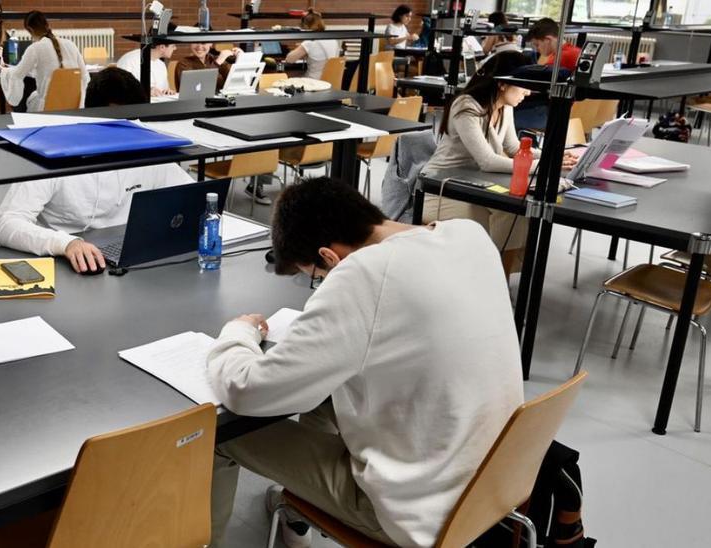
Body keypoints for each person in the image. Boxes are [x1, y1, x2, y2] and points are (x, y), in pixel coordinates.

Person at [207, 179, 524, 548]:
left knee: (218, 433)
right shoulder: (470, 235)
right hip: (495, 479)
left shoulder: (363, 274)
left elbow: (247, 390)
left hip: (419, 513)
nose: (322, 283)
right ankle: (297, 518)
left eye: (317, 277)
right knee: (330, 388)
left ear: (329, 257)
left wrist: (237, 334)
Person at [0, 69, 193, 273]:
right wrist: (65, 244)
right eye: (119, 127)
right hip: (69, 262)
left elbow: (192, 195)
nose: (129, 135)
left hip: (128, 258)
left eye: (134, 124)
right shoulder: (53, 152)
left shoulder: (142, 142)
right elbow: (5, 223)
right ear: (90, 118)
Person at [422, 51, 577, 274]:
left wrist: (551, 156)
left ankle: (492, 278)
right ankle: (492, 278)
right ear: (503, 84)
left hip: (476, 184)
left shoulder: (506, 107)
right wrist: (543, 167)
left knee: (516, 212)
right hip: (442, 187)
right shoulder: (466, 106)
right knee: (508, 215)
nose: (528, 92)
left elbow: (515, 149)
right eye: (523, 86)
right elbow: (487, 161)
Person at [0, 11, 88, 112]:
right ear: (47, 25)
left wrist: (4, 71)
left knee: (26, 88)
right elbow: (85, 76)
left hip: (46, 107)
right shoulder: (70, 44)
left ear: (30, 30)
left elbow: (17, 75)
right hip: (73, 105)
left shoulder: (35, 48)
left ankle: (22, 122)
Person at [516, 17, 580, 129]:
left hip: (554, 113)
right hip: (571, 111)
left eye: (537, 45)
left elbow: (538, 87)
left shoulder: (559, 58)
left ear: (548, 39)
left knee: (506, 114)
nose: (536, 49)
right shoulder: (575, 51)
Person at [284, 12, 341, 82]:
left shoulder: (309, 43)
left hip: (313, 83)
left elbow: (289, 59)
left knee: (287, 80)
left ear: (306, 27)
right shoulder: (333, 40)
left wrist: (301, 48)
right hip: (330, 83)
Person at [174, 43, 241, 90]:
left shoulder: (214, 59)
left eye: (203, 43)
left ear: (210, 44)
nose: (199, 46)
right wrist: (217, 63)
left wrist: (240, 59)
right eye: (196, 42)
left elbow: (235, 82)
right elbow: (196, 88)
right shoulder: (183, 64)